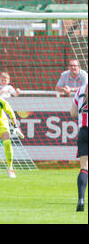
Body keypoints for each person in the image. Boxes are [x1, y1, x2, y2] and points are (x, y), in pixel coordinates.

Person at [70, 84, 87, 212]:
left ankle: (81, 199)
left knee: (84, 168)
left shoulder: (80, 90)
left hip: (84, 132)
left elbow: (73, 113)